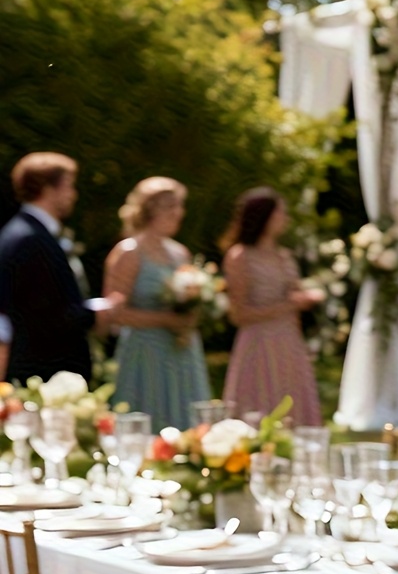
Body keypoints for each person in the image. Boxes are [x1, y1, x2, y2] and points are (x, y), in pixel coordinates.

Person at [0, 153, 120, 384]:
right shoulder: (30, 239)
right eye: (68, 186)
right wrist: (94, 315)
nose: (73, 195)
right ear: (48, 189)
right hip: (42, 371)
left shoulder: (25, 232)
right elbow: (42, 314)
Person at [105, 176, 211, 431]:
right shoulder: (129, 252)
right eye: (172, 206)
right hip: (145, 351)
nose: (179, 213)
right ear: (151, 209)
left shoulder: (180, 253)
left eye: (180, 205)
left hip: (181, 348)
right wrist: (165, 320)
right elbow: (113, 312)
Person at [221, 187, 323, 426]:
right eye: (280, 213)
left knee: (293, 404)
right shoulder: (240, 256)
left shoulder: (284, 256)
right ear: (263, 216)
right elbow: (239, 314)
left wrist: (304, 301)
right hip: (257, 344)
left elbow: (294, 298)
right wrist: (288, 306)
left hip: (289, 343)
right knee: (258, 406)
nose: (285, 219)